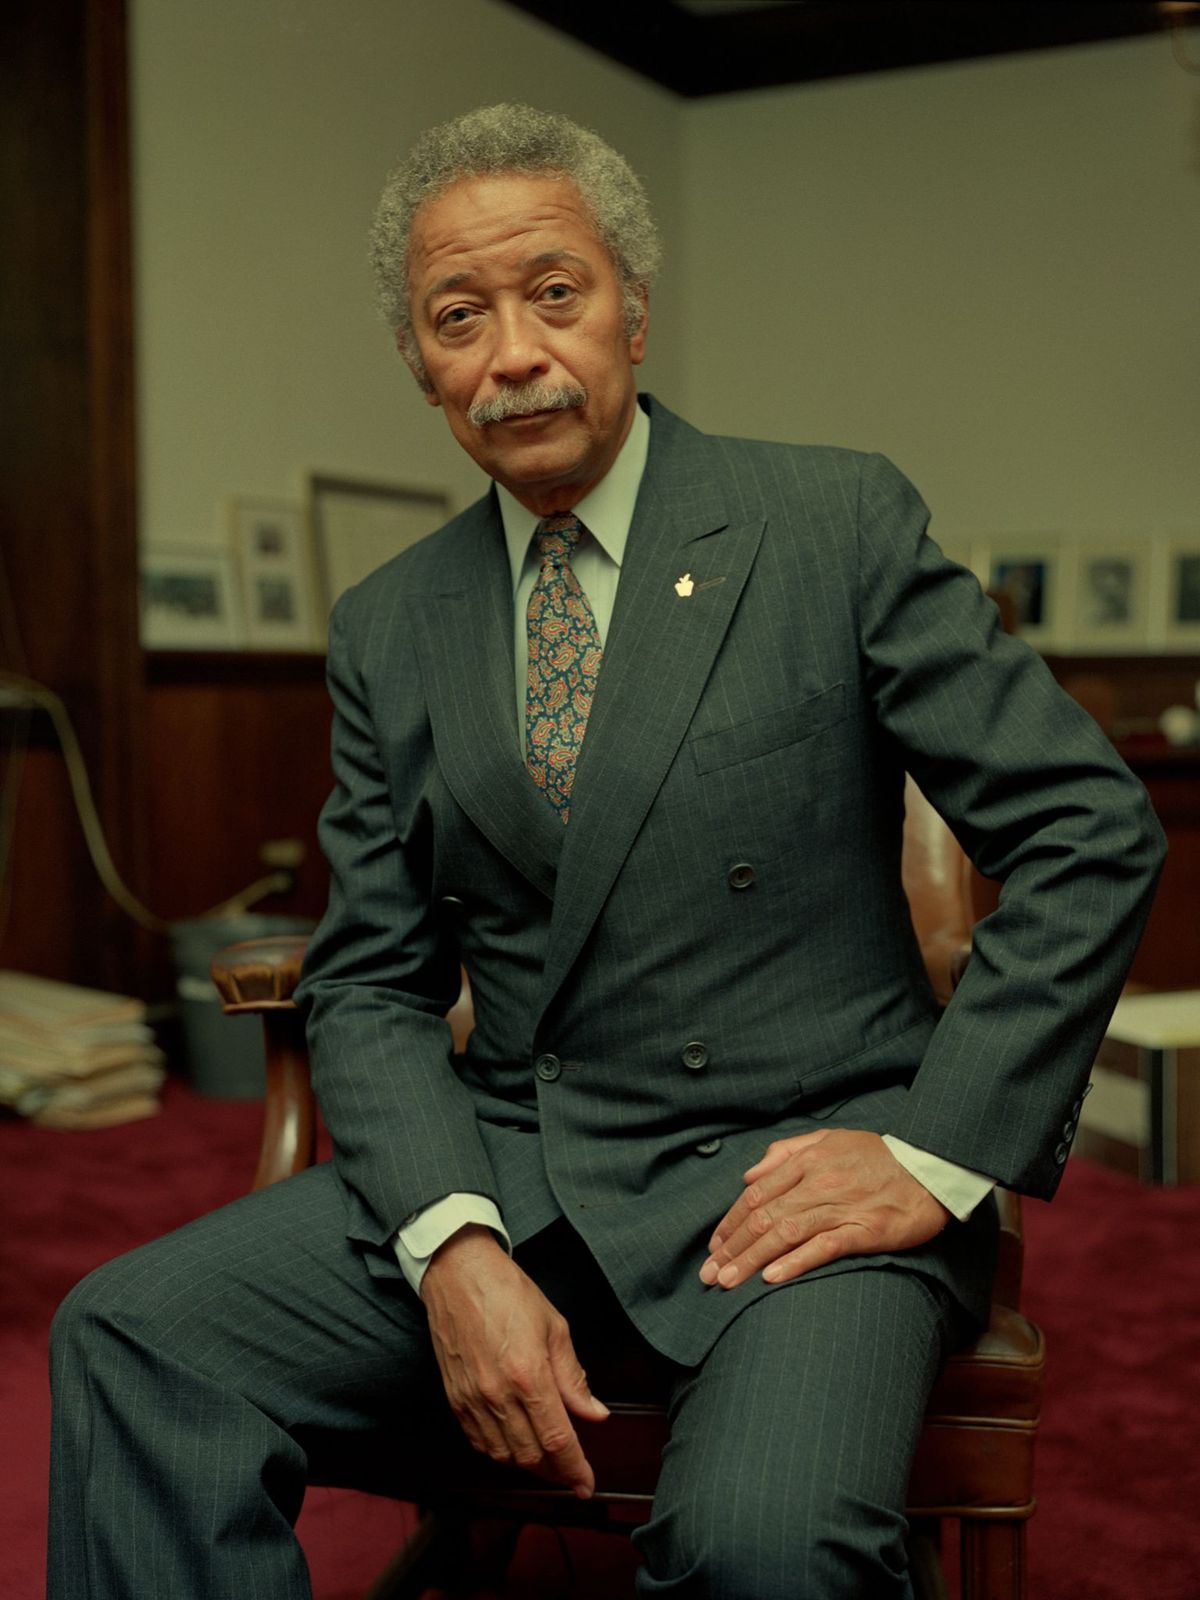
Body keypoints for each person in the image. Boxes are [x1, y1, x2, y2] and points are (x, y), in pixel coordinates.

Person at [49, 104, 1165, 1599]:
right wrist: (451, 1244)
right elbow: (372, 981)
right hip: (516, 1165)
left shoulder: (827, 521)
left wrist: (938, 1146)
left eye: (553, 295)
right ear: (422, 364)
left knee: (763, 1552)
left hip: (800, 1182)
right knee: (129, 1337)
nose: (513, 353)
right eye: (460, 317)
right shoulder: (393, 624)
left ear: (635, 312)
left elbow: (1088, 829)